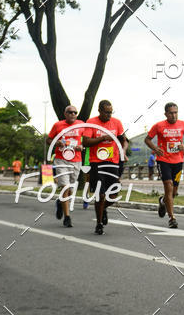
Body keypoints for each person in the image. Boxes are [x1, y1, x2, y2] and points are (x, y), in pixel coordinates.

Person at [81, 100, 127, 235]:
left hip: (112, 162)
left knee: (113, 195)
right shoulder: (91, 122)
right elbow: (86, 142)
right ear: (100, 111)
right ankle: (99, 223)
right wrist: (103, 138)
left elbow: (123, 140)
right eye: (106, 112)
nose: (109, 115)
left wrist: (123, 151)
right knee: (100, 195)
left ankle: (103, 208)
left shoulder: (117, 123)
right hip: (97, 162)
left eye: (111, 112)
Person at [145, 103, 184, 229]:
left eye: (176, 112)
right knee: (168, 185)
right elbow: (147, 139)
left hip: (178, 160)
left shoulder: (183, 125)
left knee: (174, 192)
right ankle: (172, 218)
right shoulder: (159, 126)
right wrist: (155, 148)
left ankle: (163, 201)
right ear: (166, 114)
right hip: (163, 160)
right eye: (171, 113)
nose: (174, 115)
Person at [47, 105, 84, 227]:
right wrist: (56, 143)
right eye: (70, 112)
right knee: (65, 187)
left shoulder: (81, 124)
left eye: (75, 112)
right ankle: (67, 217)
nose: (73, 114)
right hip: (61, 160)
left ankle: (60, 202)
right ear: (65, 114)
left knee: (70, 190)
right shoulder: (58, 125)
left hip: (76, 160)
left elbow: (87, 139)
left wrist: (81, 146)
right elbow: (48, 140)